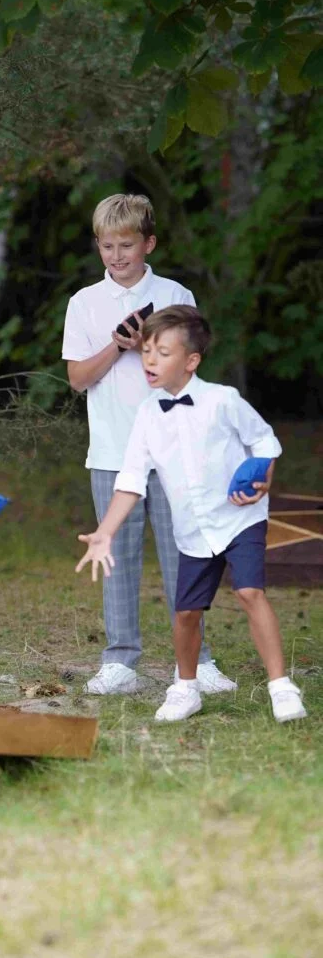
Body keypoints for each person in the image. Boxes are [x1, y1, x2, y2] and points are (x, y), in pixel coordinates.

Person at [75, 305, 307, 724]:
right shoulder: (147, 415)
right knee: (185, 613)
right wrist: (105, 531)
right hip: (193, 530)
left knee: (249, 592)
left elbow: (265, 441)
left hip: (240, 519)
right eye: (147, 351)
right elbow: (130, 478)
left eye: (163, 352)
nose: (150, 360)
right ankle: (186, 688)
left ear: (191, 360)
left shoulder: (223, 400)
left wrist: (263, 479)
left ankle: (281, 687)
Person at [62, 193, 234, 696]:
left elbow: (187, 370)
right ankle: (120, 661)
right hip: (114, 454)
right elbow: (76, 379)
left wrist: (151, 347)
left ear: (148, 243)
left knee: (186, 557)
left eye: (127, 245)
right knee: (114, 555)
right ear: (98, 247)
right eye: (107, 246)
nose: (116, 256)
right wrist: (117, 346)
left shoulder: (177, 295)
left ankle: (198, 660)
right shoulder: (84, 303)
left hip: (176, 451)